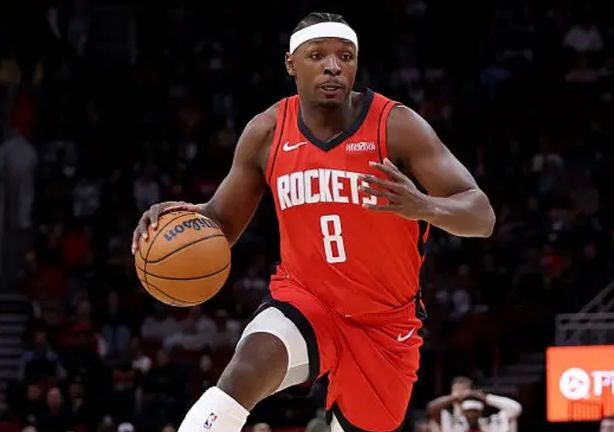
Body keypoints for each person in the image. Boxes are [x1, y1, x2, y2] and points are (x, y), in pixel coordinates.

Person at [131, 12, 494, 432]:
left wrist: (424, 206)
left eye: (345, 56)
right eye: (317, 55)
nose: (333, 66)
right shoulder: (267, 132)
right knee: (244, 372)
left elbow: (481, 214)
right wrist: (182, 220)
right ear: (291, 63)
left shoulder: (396, 126)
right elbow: (221, 223)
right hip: (306, 299)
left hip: (384, 323)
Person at [427, 390, 521, 432]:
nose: (472, 416)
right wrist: (454, 397)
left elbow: (516, 408)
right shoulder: (454, 425)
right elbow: (431, 409)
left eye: (475, 412)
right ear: (463, 413)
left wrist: (486, 398)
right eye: (469, 412)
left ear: (480, 413)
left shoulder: (491, 424)